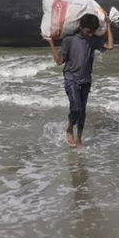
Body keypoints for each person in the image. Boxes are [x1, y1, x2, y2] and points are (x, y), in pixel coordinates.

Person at [43, 13, 114, 148]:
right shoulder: (69, 40)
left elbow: (109, 46)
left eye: (93, 31)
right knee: (76, 108)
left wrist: (109, 26)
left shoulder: (93, 40)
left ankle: (79, 138)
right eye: (88, 31)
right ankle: (69, 129)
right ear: (81, 27)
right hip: (71, 79)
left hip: (86, 80)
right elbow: (59, 62)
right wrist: (51, 43)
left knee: (82, 111)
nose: (90, 33)